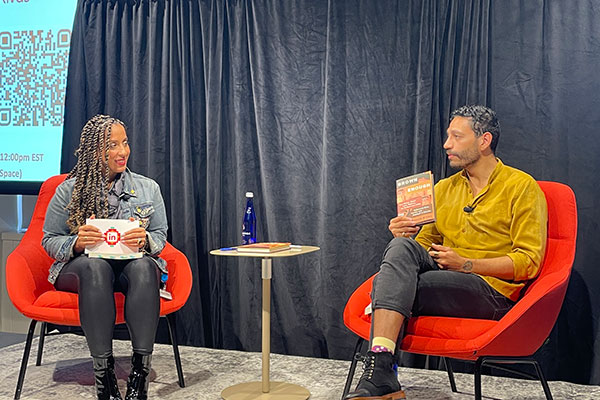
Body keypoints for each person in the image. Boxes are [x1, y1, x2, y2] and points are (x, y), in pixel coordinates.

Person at [344, 105, 548, 400]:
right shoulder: (443, 188)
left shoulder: (521, 187)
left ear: (484, 141)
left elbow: (529, 262)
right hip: (445, 279)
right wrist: (407, 236)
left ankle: (381, 368)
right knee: (401, 248)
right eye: (447, 136)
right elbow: (422, 248)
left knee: (392, 286)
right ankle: (382, 368)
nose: (446, 144)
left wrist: (466, 264)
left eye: (456, 136)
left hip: (492, 291)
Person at [42, 115, 168, 400]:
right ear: (94, 150)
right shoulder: (69, 191)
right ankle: (105, 377)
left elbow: (160, 235)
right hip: (82, 270)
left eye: (125, 143)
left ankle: (139, 375)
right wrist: (76, 243)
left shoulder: (148, 188)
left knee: (145, 268)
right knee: (96, 267)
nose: (122, 151)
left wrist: (146, 239)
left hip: (128, 267)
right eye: (112, 145)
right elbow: (49, 240)